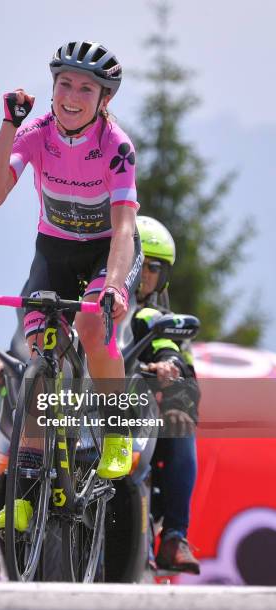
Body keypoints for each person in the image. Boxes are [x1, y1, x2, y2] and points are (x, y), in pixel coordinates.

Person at [0, 39, 143, 511]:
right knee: (41, 359)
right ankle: (27, 493)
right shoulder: (37, 133)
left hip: (104, 253)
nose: (71, 96)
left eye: (85, 89)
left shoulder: (116, 146)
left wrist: (113, 285)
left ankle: (116, 432)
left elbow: (125, 227)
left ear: (104, 99)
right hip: (53, 253)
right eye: (63, 84)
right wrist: (9, 126)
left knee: (93, 328)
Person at [131, 215, 200, 574]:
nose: (143, 275)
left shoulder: (161, 318)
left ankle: (174, 536)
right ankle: (1, 540)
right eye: (136, 262)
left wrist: (169, 371)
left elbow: (175, 357)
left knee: (181, 421)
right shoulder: (92, 304)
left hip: (135, 412)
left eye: (153, 268)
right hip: (83, 404)